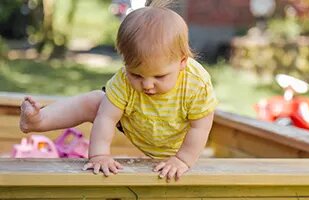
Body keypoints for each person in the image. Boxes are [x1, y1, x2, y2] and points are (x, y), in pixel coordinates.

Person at [19, 0, 218, 182]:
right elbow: (106, 118)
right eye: (137, 75)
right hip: (137, 120)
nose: (147, 85)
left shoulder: (196, 83)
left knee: (192, 132)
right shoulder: (123, 80)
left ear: (182, 61)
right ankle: (39, 119)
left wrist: (182, 160)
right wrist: (99, 155)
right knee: (97, 101)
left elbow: (200, 127)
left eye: (159, 77)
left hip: (176, 139)